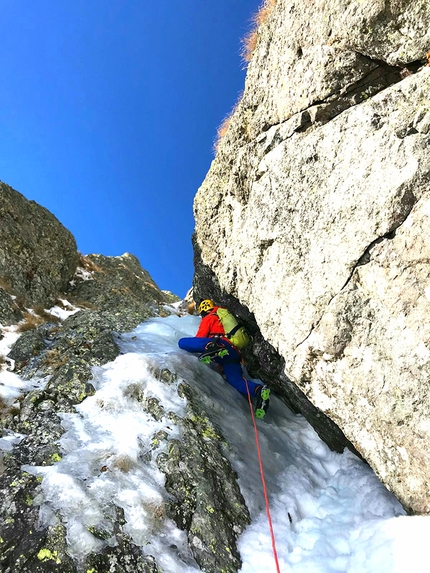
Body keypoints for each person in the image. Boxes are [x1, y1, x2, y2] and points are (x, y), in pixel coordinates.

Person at [178, 299, 270, 418]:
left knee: (182, 342)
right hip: (233, 354)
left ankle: (212, 347)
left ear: (202, 310)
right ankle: (258, 391)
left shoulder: (209, 317)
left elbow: (200, 337)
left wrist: (205, 345)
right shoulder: (221, 316)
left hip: (221, 344)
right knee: (237, 381)